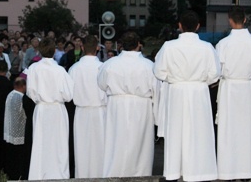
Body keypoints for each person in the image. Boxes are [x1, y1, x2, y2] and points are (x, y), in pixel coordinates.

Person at [153, 10, 221, 182]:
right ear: (198, 26)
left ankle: (173, 173)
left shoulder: (169, 46)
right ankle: (200, 172)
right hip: (199, 92)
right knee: (199, 132)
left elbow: (158, 71)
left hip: (176, 91)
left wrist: (174, 79)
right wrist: (200, 81)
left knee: (176, 131)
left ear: (180, 26)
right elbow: (215, 74)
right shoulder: (206, 48)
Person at [98, 31, 159, 177]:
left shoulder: (109, 64)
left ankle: (113, 176)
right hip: (141, 108)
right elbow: (157, 90)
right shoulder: (148, 65)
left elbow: (101, 84)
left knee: (116, 145)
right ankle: (140, 177)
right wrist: (157, 118)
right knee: (140, 148)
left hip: (116, 107)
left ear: (120, 46)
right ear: (139, 45)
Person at [215, 7, 251, 180]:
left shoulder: (223, 44)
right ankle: (246, 170)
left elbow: (217, 68)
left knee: (229, 130)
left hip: (230, 88)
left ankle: (228, 170)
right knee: (246, 129)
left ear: (230, 20)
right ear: (245, 20)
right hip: (246, 87)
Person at [25, 37, 74, 180]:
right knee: (58, 144)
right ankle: (59, 174)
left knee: (41, 142)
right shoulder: (60, 71)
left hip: (41, 109)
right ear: (54, 51)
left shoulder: (34, 68)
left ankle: (39, 174)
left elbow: (30, 92)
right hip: (57, 109)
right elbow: (69, 94)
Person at [68, 35, 107, 178]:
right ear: (97, 48)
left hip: (82, 112)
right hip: (100, 112)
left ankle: (82, 177)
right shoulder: (103, 67)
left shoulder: (74, 68)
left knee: (82, 148)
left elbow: (69, 93)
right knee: (100, 147)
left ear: (82, 47)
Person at [4, 77, 31, 180]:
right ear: (23, 86)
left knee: (11, 156)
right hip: (20, 131)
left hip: (10, 130)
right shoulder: (21, 98)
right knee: (19, 157)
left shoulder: (10, 95)